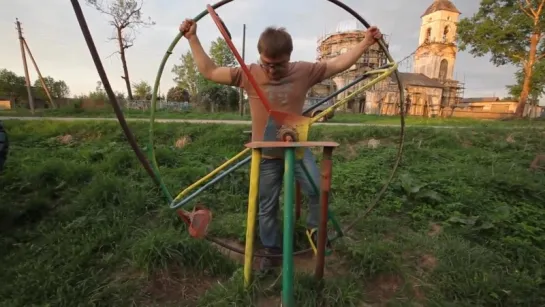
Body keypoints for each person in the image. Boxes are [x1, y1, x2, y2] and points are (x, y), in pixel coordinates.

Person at [179, 19, 382, 270]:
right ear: (260, 57)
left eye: (279, 65)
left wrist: (365, 42)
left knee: (318, 190)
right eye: (267, 64)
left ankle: (314, 231)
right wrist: (192, 39)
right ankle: (270, 248)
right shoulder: (249, 73)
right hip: (265, 154)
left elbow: (338, 63)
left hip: (297, 149)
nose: (272, 70)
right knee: (267, 204)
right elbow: (209, 71)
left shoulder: (304, 71)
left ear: (290, 57)